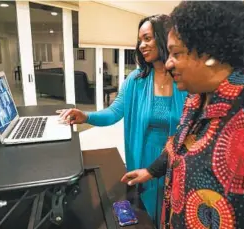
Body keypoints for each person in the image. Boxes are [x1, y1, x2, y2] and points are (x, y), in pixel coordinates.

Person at [121, 2, 244, 229]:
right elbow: (181, 143)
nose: (168, 62)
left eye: (176, 53)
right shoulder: (198, 94)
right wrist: (151, 171)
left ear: (210, 52)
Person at [57, 14, 188, 226]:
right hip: (143, 155)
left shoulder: (184, 79)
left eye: (147, 38)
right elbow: (114, 113)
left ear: (164, 38)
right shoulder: (135, 80)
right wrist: (86, 116)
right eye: (140, 40)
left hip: (173, 160)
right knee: (145, 213)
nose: (142, 45)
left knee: (170, 212)